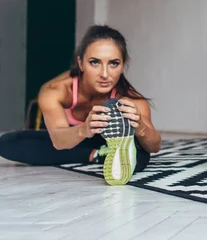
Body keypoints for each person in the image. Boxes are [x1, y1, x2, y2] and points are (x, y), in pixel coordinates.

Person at [0, 25, 161, 186]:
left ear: (123, 65)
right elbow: (59, 141)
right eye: (94, 62)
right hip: (74, 139)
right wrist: (85, 129)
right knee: (8, 142)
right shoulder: (56, 91)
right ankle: (98, 155)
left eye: (113, 63)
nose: (105, 74)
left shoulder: (130, 98)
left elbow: (154, 146)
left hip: (106, 139)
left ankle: (109, 151)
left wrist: (140, 126)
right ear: (81, 63)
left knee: (142, 153)